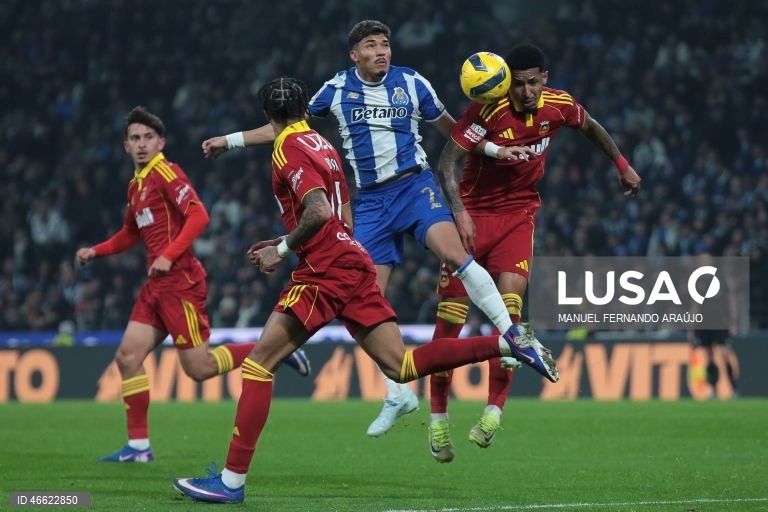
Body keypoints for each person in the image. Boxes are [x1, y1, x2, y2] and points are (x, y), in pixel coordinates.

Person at [174, 77, 549, 504]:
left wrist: (281, 249)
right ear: (301, 110)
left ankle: (231, 482)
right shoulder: (319, 143)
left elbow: (316, 211)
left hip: (324, 269)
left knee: (259, 367)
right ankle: (505, 344)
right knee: (401, 365)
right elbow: (344, 212)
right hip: (351, 261)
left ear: (267, 117)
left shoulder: (288, 150)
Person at [201, 20, 558, 437]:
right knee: (363, 295)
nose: (381, 51)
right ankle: (398, 393)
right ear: (355, 54)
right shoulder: (334, 89)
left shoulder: (412, 82)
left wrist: (493, 148)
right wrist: (231, 139)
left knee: (455, 254)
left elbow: (451, 130)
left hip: (414, 186)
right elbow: (288, 126)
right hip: (370, 201)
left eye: (385, 44)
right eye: (371, 45)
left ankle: (511, 334)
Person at [427, 43, 642, 463]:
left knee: (511, 321)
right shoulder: (487, 110)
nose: (525, 92)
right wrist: (458, 213)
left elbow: (592, 126)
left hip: (517, 218)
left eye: (532, 82)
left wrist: (622, 164)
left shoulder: (559, 105)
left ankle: (492, 412)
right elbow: (446, 164)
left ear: (544, 77)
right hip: (471, 218)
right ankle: (437, 419)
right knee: (449, 323)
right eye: (517, 84)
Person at [75, 106, 310, 463]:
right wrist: (97, 251)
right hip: (155, 286)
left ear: (161, 142)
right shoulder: (136, 185)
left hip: (179, 282)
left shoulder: (166, 172)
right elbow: (128, 233)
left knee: (198, 369)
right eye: (135, 139)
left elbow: (199, 214)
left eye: (148, 138)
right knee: (127, 357)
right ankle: (139, 448)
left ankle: (279, 349)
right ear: (125, 146)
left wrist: (169, 254)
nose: (141, 144)